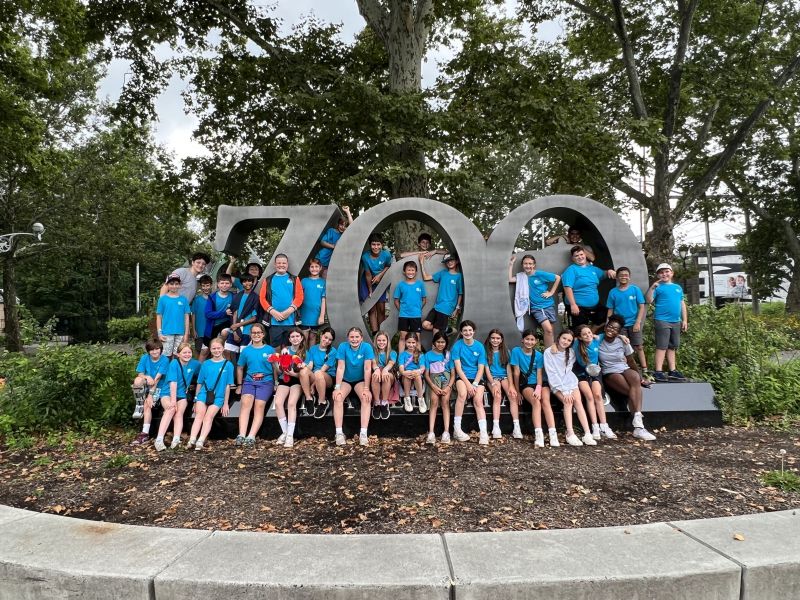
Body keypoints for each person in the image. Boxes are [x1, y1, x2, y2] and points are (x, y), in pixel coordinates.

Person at [598, 316, 657, 440]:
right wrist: (615, 332)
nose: (611, 330)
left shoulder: (623, 342)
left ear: (619, 332)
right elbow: (586, 333)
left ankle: (637, 419)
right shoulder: (598, 339)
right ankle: (639, 428)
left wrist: (641, 378)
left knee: (635, 377)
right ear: (606, 326)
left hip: (623, 367)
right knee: (632, 391)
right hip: (609, 372)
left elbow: (631, 361)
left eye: (616, 329)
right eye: (610, 326)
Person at [543, 330, 597, 447]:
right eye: (564, 338)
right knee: (568, 402)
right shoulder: (549, 352)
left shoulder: (571, 352)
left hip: (570, 381)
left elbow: (568, 371)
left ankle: (587, 433)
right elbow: (552, 373)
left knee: (578, 401)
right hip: (557, 384)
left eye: (569, 340)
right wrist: (564, 391)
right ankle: (570, 433)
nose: (565, 342)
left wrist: (569, 388)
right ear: (559, 338)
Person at [187, 337, 234, 450]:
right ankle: (192, 440)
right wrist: (196, 400)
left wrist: (226, 403)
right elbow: (199, 383)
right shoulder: (206, 364)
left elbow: (228, 385)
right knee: (199, 416)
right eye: (214, 348)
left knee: (208, 417)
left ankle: (201, 440)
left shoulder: (228, 365)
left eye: (219, 348)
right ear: (210, 350)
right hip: (204, 393)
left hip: (219, 396)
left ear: (223, 348)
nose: (216, 350)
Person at [510, 329, 553, 447]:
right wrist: (518, 391)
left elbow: (539, 374)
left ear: (536, 341)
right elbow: (516, 373)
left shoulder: (539, 355)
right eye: (527, 339)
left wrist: (538, 389)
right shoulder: (516, 351)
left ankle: (552, 434)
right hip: (526, 384)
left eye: (532, 340)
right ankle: (539, 434)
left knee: (545, 401)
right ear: (522, 340)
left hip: (538, 383)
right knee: (536, 401)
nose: (529, 342)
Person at [234, 323, 275, 447]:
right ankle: (241, 435)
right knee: (246, 403)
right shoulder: (246, 350)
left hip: (266, 381)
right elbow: (240, 367)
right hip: (249, 381)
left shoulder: (270, 350)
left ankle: (251, 436)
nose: (256, 335)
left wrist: (276, 382)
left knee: (259, 405)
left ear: (263, 334)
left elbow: (275, 368)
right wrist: (240, 385)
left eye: (259, 332)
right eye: (254, 333)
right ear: (250, 335)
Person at [332, 327, 375, 446]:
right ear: (348, 338)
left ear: (361, 338)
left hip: (360, 381)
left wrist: (366, 388)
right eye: (352, 337)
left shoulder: (366, 347)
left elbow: (367, 368)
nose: (354, 339)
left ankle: (363, 433)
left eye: (357, 337)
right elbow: (340, 367)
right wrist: (337, 387)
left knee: (366, 398)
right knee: (338, 397)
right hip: (346, 380)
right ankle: (339, 433)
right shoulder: (343, 347)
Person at [646, 263, 688, 382]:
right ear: (658, 275)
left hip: (676, 321)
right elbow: (649, 300)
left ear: (672, 273)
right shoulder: (658, 287)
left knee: (672, 346)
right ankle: (658, 371)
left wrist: (685, 320)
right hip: (662, 320)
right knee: (662, 346)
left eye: (667, 271)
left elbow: (682, 304)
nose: (664, 274)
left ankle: (672, 371)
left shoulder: (677, 287)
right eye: (661, 272)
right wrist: (652, 288)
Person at [573, 324, 616, 440]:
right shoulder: (576, 344)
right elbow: (564, 339)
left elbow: (611, 333)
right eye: (584, 334)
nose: (588, 335)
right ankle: (595, 426)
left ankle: (604, 425)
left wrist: (623, 337)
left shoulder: (597, 340)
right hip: (581, 373)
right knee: (589, 396)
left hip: (595, 372)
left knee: (597, 395)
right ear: (580, 337)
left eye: (589, 333)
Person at [154, 342, 200, 451]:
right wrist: (173, 401)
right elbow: (173, 383)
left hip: (182, 394)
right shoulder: (174, 363)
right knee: (170, 409)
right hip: (168, 393)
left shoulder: (195, 364)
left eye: (189, 352)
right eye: (184, 352)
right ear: (178, 354)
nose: (187, 354)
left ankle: (176, 440)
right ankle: (159, 439)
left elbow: (202, 375)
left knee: (179, 413)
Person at [509, 253, 561, 347]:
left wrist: (551, 292)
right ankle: (549, 352)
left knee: (550, 331)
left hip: (548, 305)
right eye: (525, 263)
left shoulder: (539, 274)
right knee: (548, 330)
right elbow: (510, 279)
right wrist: (511, 264)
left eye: (530, 263)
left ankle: (549, 352)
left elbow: (557, 278)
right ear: (522, 265)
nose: (528, 266)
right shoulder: (521, 277)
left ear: (534, 265)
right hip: (536, 307)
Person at [606, 266, 649, 378]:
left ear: (629, 277)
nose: (623, 277)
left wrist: (638, 322)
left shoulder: (635, 289)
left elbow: (641, 306)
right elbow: (610, 309)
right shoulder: (613, 292)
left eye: (626, 275)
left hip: (634, 323)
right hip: (620, 325)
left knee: (639, 346)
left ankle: (645, 370)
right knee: (623, 347)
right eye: (621, 275)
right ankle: (629, 369)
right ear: (617, 277)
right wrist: (608, 324)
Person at [451, 320, 489, 444]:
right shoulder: (457, 346)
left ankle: (484, 433)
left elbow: (481, 368)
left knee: (478, 400)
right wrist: (468, 385)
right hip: (463, 377)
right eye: (465, 330)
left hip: (477, 379)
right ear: (461, 332)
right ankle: (457, 430)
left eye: (470, 330)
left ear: (474, 331)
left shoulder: (479, 346)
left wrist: (475, 384)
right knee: (462, 394)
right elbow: (458, 368)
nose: (468, 332)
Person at [562, 246, 616, 331]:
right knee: (580, 329)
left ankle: (592, 332)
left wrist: (609, 271)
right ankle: (584, 337)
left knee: (606, 316)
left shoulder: (593, 269)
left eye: (581, 254)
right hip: (578, 306)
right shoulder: (571, 269)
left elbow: (604, 274)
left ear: (585, 255)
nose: (580, 257)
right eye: (576, 256)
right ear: (573, 258)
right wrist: (573, 305)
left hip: (594, 306)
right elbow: (567, 287)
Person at [259, 253, 304, 348]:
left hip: (291, 321)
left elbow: (299, 297)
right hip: (274, 321)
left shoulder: (295, 279)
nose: (281, 265)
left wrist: (289, 311)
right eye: (279, 263)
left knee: (291, 348)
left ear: (287, 264)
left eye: (284, 263)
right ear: (275, 264)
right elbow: (262, 298)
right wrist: (273, 312)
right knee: (275, 348)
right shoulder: (268, 280)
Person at [131, 339, 170, 446]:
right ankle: (138, 404)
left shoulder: (165, 360)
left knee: (147, 404)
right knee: (137, 381)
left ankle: (145, 434)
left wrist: (150, 396)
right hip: (148, 383)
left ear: (161, 349)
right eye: (152, 350)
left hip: (159, 387)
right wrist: (147, 377)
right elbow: (140, 374)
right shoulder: (145, 358)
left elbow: (157, 379)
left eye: (157, 349)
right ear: (148, 351)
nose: (154, 351)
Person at [484, 329, 521, 440]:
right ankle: (496, 427)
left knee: (512, 396)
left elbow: (509, 370)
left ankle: (517, 426)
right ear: (489, 339)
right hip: (492, 378)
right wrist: (493, 384)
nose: (495, 340)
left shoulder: (506, 351)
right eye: (493, 338)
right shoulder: (485, 351)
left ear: (501, 340)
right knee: (497, 396)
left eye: (498, 338)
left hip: (504, 376)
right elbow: (486, 370)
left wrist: (511, 385)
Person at [272, 328, 306, 448]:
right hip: (284, 379)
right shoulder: (285, 351)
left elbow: (305, 373)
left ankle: (290, 436)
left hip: (297, 380)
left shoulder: (306, 352)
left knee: (291, 403)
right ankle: (285, 432)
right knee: (278, 403)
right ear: (289, 339)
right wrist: (274, 363)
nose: (295, 339)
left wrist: (293, 373)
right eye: (292, 337)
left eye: (297, 336)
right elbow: (279, 371)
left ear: (301, 338)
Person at [299, 326, 338, 419]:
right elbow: (311, 366)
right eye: (325, 337)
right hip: (315, 376)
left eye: (330, 339)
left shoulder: (332, 351)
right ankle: (309, 399)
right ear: (321, 335)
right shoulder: (313, 349)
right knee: (303, 371)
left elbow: (322, 370)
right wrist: (304, 367)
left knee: (318, 373)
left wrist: (312, 386)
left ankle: (322, 402)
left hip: (328, 379)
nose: (327, 341)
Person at [420, 253, 463, 336]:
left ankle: (442, 331)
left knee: (436, 333)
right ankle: (446, 329)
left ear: (457, 261)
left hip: (447, 307)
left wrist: (456, 309)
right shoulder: (443, 273)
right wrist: (421, 263)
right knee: (425, 325)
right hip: (437, 306)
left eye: (451, 260)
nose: (449, 262)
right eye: (447, 261)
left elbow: (460, 293)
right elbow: (426, 277)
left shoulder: (459, 276)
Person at [424, 332, 454, 445]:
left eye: (443, 342)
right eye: (438, 342)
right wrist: (433, 386)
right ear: (434, 343)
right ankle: (431, 432)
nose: (440, 344)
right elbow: (426, 374)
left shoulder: (449, 355)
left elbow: (453, 374)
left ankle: (446, 432)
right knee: (434, 402)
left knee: (445, 402)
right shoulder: (428, 355)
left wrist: (449, 387)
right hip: (433, 381)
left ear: (446, 343)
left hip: (447, 380)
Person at [360, 233, 392, 336]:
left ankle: (381, 334)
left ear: (382, 245)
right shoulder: (365, 257)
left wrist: (380, 276)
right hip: (368, 282)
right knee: (371, 308)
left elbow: (388, 266)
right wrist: (370, 290)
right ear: (370, 245)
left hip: (381, 281)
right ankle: (375, 334)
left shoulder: (386, 254)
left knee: (381, 309)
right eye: (373, 244)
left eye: (378, 244)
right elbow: (368, 274)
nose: (376, 247)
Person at [223, 273, 259, 361]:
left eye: (249, 281)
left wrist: (238, 325)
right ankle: (231, 369)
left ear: (253, 282)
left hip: (247, 330)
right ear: (242, 283)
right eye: (244, 281)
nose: (247, 283)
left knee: (244, 354)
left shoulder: (255, 297)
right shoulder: (238, 295)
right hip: (235, 328)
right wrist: (234, 331)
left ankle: (243, 370)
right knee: (227, 351)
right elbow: (234, 312)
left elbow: (254, 318)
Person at [393, 260, 427, 354]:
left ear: (416, 272)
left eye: (412, 270)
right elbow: (396, 300)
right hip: (404, 315)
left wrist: (417, 309)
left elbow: (424, 300)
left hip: (416, 315)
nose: (410, 272)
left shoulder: (420, 284)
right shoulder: (401, 285)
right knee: (403, 337)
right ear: (404, 271)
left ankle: (418, 359)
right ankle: (401, 358)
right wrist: (402, 310)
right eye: (408, 270)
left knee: (417, 338)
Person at [156, 275, 191, 358]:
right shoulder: (162, 299)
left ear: (180, 285)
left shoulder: (183, 299)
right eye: (171, 284)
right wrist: (159, 333)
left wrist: (186, 334)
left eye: (176, 284)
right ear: (167, 285)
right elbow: (159, 317)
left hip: (180, 333)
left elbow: (186, 317)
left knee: (179, 356)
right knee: (166, 357)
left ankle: (175, 367)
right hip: (166, 332)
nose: (174, 286)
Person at [315, 206, 353, 276]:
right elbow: (322, 242)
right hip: (321, 258)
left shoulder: (345, 236)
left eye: (345, 226)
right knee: (315, 277)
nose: (343, 227)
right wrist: (334, 246)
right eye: (341, 224)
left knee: (324, 279)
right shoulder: (332, 231)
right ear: (338, 224)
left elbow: (353, 226)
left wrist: (348, 212)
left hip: (330, 262)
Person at [298, 258, 327, 347]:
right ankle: (303, 354)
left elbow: (323, 300)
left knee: (313, 336)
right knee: (304, 337)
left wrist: (321, 316)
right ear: (309, 268)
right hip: (304, 314)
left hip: (316, 315)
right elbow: (298, 297)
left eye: (316, 266)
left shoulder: (323, 282)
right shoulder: (304, 281)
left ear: (320, 268)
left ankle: (311, 355)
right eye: (312, 267)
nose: (314, 269)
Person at [203, 273, 234, 352]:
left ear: (231, 284)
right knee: (205, 351)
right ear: (218, 284)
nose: (224, 285)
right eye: (222, 283)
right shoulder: (212, 297)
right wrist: (224, 313)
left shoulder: (234, 296)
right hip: (213, 325)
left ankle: (220, 349)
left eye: (227, 283)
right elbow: (208, 314)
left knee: (224, 335)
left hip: (226, 324)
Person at [370, 330, 397, 420]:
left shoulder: (392, 352)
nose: (381, 342)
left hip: (388, 374)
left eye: (383, 340)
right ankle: (377, 403)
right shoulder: (372, 352)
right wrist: (377, 369)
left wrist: (385, 369)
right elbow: (374, 363)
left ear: (387, 341)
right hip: (377, 373)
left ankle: (385, 403)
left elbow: (391, 363)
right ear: (376, 341)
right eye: (379, 340)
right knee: (375, 375)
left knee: (386, 375)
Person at [398, 332, 426, 413]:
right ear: (405, 342)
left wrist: (417, 371)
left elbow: (422, 367)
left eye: (413, 342)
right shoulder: (402, 354)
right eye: (409, 342)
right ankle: (407, 398)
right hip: (405, 375)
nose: (411, 345)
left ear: (416, 343)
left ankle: (421, 399)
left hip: (417, 375)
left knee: (417, 375)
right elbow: (401, 367)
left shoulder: (420, 354)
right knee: (408, 375)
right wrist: (404, 372)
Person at [191, 275, 213, 358]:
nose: (205, 288)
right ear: (200, 286)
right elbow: (193, 315)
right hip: (199, 331)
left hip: (211, 331)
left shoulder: (214, 298)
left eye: (207, 285)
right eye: (203, 286)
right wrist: (194, 330)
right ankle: (198, 366)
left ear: (211, 285)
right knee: (198, 351)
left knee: (211, 352)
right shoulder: (197, 300)